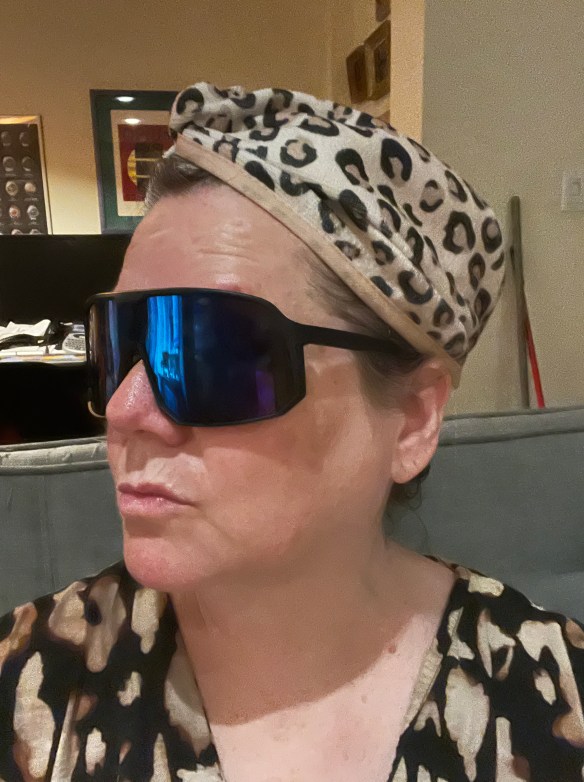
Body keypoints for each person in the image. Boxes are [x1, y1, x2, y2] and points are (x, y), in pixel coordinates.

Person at [0, 83, 582, 782]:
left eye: (212, 352)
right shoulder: (28, 686)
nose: (124, 408)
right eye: (120, 342)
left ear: (412, 420)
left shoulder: (553, 696)